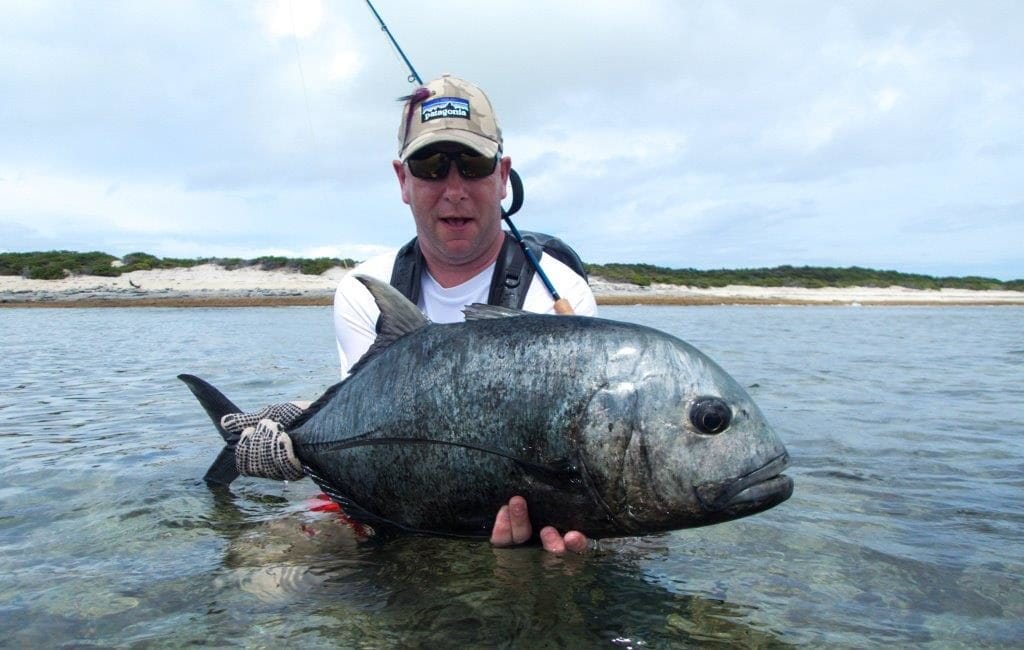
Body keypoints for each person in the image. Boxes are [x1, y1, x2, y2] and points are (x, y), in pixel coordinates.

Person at [226, 74, 597, 554]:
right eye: (430, 166)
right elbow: (373, 419)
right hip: (392, 502)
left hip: (514, 517)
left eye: (473, 164)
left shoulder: (560, 293)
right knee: (260, 574)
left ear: (502, 176)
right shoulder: (366, 291)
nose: (454, 189)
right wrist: (304, 427)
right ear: (403, 180)